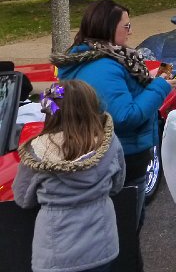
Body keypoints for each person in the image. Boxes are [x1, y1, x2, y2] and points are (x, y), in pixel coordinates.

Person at [52, 0, 176, 264]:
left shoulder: (83, 57)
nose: (130, 32)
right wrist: (160, 87)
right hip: (123, 159)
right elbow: (125, 116)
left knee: (112, 232)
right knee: (124, 236)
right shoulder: (106, 65)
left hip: (99, 155)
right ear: (108, 28)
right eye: (126, 26)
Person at [13, 80, 126, 272]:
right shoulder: (108, 142)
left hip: (55, 255)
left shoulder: (36, 151)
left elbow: (23, 198)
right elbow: (117, 185)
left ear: (50, 110)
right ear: (92, 107)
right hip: (102, 247)